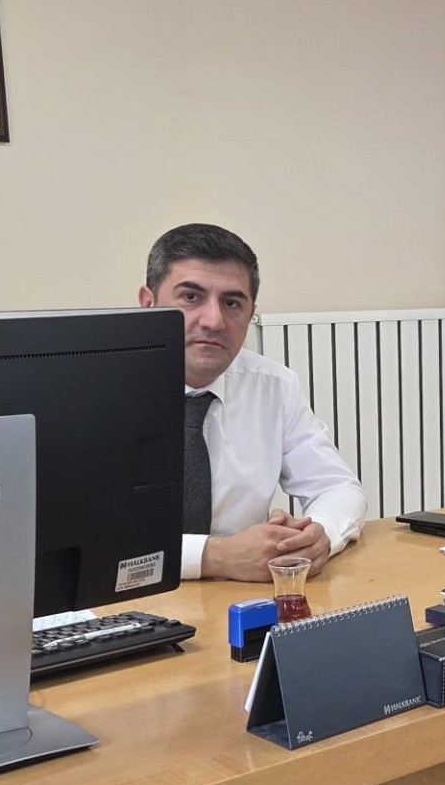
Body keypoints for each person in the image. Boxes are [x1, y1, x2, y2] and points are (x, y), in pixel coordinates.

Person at [138, 223, 367, 582]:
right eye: (191, 297)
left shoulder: (274, 386)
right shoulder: (92, 391)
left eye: (231, 303)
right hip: (116, 602)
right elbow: (82, 535)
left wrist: (317, 536)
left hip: (241, 594)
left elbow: (337, 487)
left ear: (251, 312)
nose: (214, 321)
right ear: (148, 303)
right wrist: (212, 557)